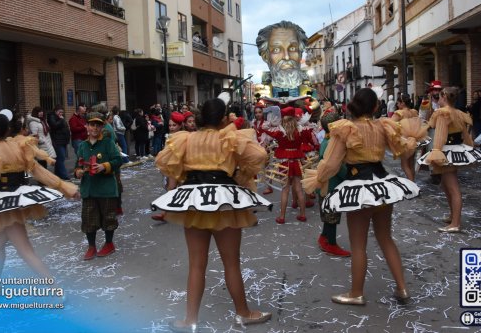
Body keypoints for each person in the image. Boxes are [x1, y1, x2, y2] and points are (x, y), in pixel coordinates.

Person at [151, 97, 272, 331]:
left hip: (195, 201)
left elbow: (165, 163)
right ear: (225, 118)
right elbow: (259, 157)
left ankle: (190, 320)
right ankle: (243, 313)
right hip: (225, 202)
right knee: (232, 263)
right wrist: (239, 173)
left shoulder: (186, 138)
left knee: (196, 264)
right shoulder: (230, 137)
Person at [302, 88, 420, 305]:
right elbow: (404, 148)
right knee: (386, 238)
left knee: (358, 245)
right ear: (375, 107)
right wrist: (414, 139)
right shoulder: (383, 126)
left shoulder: (346, 129)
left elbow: (331, 163)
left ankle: (356, 293)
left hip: (358, 189)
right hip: (382, 186)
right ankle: (402, 288)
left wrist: (318, 179)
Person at [0, 113, 78, 277]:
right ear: (7, 130)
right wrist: (65, 188)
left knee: (25, 250)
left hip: (6, 205)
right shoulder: (19, 146)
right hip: (18, 198)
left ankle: (55, 289)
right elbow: (39, 172)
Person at [417, 87, 481, 232]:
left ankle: (455, 223)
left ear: (443, 97)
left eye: (439, 96)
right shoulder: (458, 112)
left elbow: (440, 135)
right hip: (454, 150)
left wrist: (436, 152)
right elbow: (465, 134)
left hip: (446, 151)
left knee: (453, 187)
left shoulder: (443, 113)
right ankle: (452, 216)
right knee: (446, 185)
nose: (438, 98)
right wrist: (470, 147)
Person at [75, 113, 122, 260]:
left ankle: (109, 244)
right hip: (89, 189)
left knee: (108, 218)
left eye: (98, 125)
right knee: (89, 219)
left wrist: (104, 166)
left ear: (102, 127)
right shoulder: (83, 145)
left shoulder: (108, 143)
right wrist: (78, 172)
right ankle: (91, 246)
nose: (94, 128)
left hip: (106, 189)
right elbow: (78, 164)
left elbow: (118, 160)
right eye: (92, 124)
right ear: (87, 127)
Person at [260, 106, 315, 224]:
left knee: (285, 190)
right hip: (297, 161)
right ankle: (303, 215)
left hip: (284, 162)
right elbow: (311, 134)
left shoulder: (279, 132)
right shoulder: (301, 130)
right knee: (299, 189)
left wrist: (271, 122)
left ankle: (282, 217)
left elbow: (263, 128)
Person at [316, 108, 350, 257]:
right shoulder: (332, 143)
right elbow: (335, 165)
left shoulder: (327, 139)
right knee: (332, 215)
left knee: (328, 213)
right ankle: (331, 243)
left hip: (326, 184)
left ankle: (324, 236)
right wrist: (348, 176)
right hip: (331, 185)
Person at [256, 20, 309, 97]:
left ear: (300, 53)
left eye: (292, 48)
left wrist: (316, 108)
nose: (286, 57)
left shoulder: (309, 92)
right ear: (265, 56)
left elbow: (313, 103)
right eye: (276, 50)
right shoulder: (263, 94)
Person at [390, 94, 427, 182]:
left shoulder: (399, 113)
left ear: (402, 103)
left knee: (404, 165)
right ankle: (412, 181)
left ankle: (411, 184)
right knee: (411, 163)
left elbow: (390, 124)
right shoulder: (414, 111)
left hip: (405, 140)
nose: (397, 105)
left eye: (398, 103)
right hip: (414, 139)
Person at [48, 105, 71, 180]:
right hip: (57, 141)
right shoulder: (52, 117)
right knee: (61, 157)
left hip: (63, 141)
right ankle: (64, 175)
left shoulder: (61, 118)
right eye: (59, 112)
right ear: (55, 111)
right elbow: (54, 126)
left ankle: (57, 174)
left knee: (60, 158)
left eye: (62, 112)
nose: (61, 113)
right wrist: (61, 120)